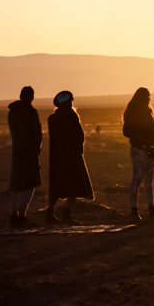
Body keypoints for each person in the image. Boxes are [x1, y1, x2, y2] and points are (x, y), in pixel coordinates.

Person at [45, 90, 94, 225]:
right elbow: (79, 136)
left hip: (56, 158)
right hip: (72, 157)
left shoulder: (52, 119)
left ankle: (49, 213)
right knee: (74, 187)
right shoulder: (71, 116)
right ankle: (66, 215)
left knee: (56, 187)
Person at [122, 87, 154, 222]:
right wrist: (145, 139)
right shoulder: (138, 113)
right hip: (140, 149)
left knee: (147, 180)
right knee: (139, 179)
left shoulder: (145, 112)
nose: (148, 100)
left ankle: (149, 208)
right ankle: (136, 210)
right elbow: (128, 131)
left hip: (146, 149)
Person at [7, 86, 43, 226]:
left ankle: (14, 214)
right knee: (28, 183)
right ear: (31, 97)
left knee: (17, 183)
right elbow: (37, 132)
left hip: (17, 150)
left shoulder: (12, 111)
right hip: (29, 151)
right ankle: (21, 215)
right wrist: (37, 147)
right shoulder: (30, 112)